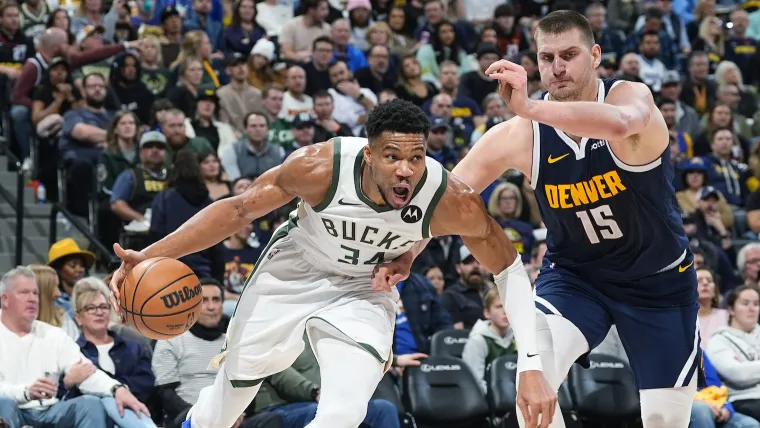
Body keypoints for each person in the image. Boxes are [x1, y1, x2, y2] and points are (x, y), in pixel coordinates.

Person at [109, 98, 556, 428]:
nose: (405, 170)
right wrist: (149, 255)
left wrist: (531, 362)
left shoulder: (451, 200)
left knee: (344, 410)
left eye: (416, 158)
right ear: (368, 155)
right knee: (228, 399)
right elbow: (237, 211)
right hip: (296, 267)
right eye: (393, 157)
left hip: (365, 286)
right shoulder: (319, 167)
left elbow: (510, 271)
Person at [384, 10, 703, 428]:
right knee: (532, 396)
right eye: (547, 57)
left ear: (595, 55)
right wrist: (408, 254)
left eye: (569, 55)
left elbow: (622, 125)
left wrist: (531, 106)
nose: (557, 68)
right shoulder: (519, 134)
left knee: (665, 420)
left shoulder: (631, 98)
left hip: (658, 280)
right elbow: (447, 199)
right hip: (576, 278)